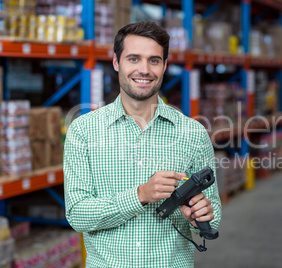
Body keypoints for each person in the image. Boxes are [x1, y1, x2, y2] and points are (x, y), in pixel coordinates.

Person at [63, 21, 222, 267]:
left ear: (165, 66)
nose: (144, 69)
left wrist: (200, 215)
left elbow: (214, 214)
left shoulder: (193, 133)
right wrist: (141, 195)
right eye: (134, 59)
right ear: (117, 63)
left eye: (154, 60)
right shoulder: (83, 131)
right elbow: (77, 215)